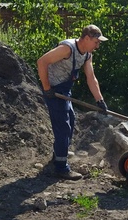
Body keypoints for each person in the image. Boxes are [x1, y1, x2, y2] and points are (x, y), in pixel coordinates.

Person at [37, 24, 108, 180]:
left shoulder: (87, 54)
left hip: (64, 90)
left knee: (71, 121)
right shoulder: (67, 48)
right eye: (96, 42)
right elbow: (42, 62)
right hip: (54, 90)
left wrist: (100, 100)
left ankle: (58, 156)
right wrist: (47, 88)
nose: (98, 45)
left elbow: (91, 77)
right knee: (63, 127)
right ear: (87, 38)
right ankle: (61, 168)